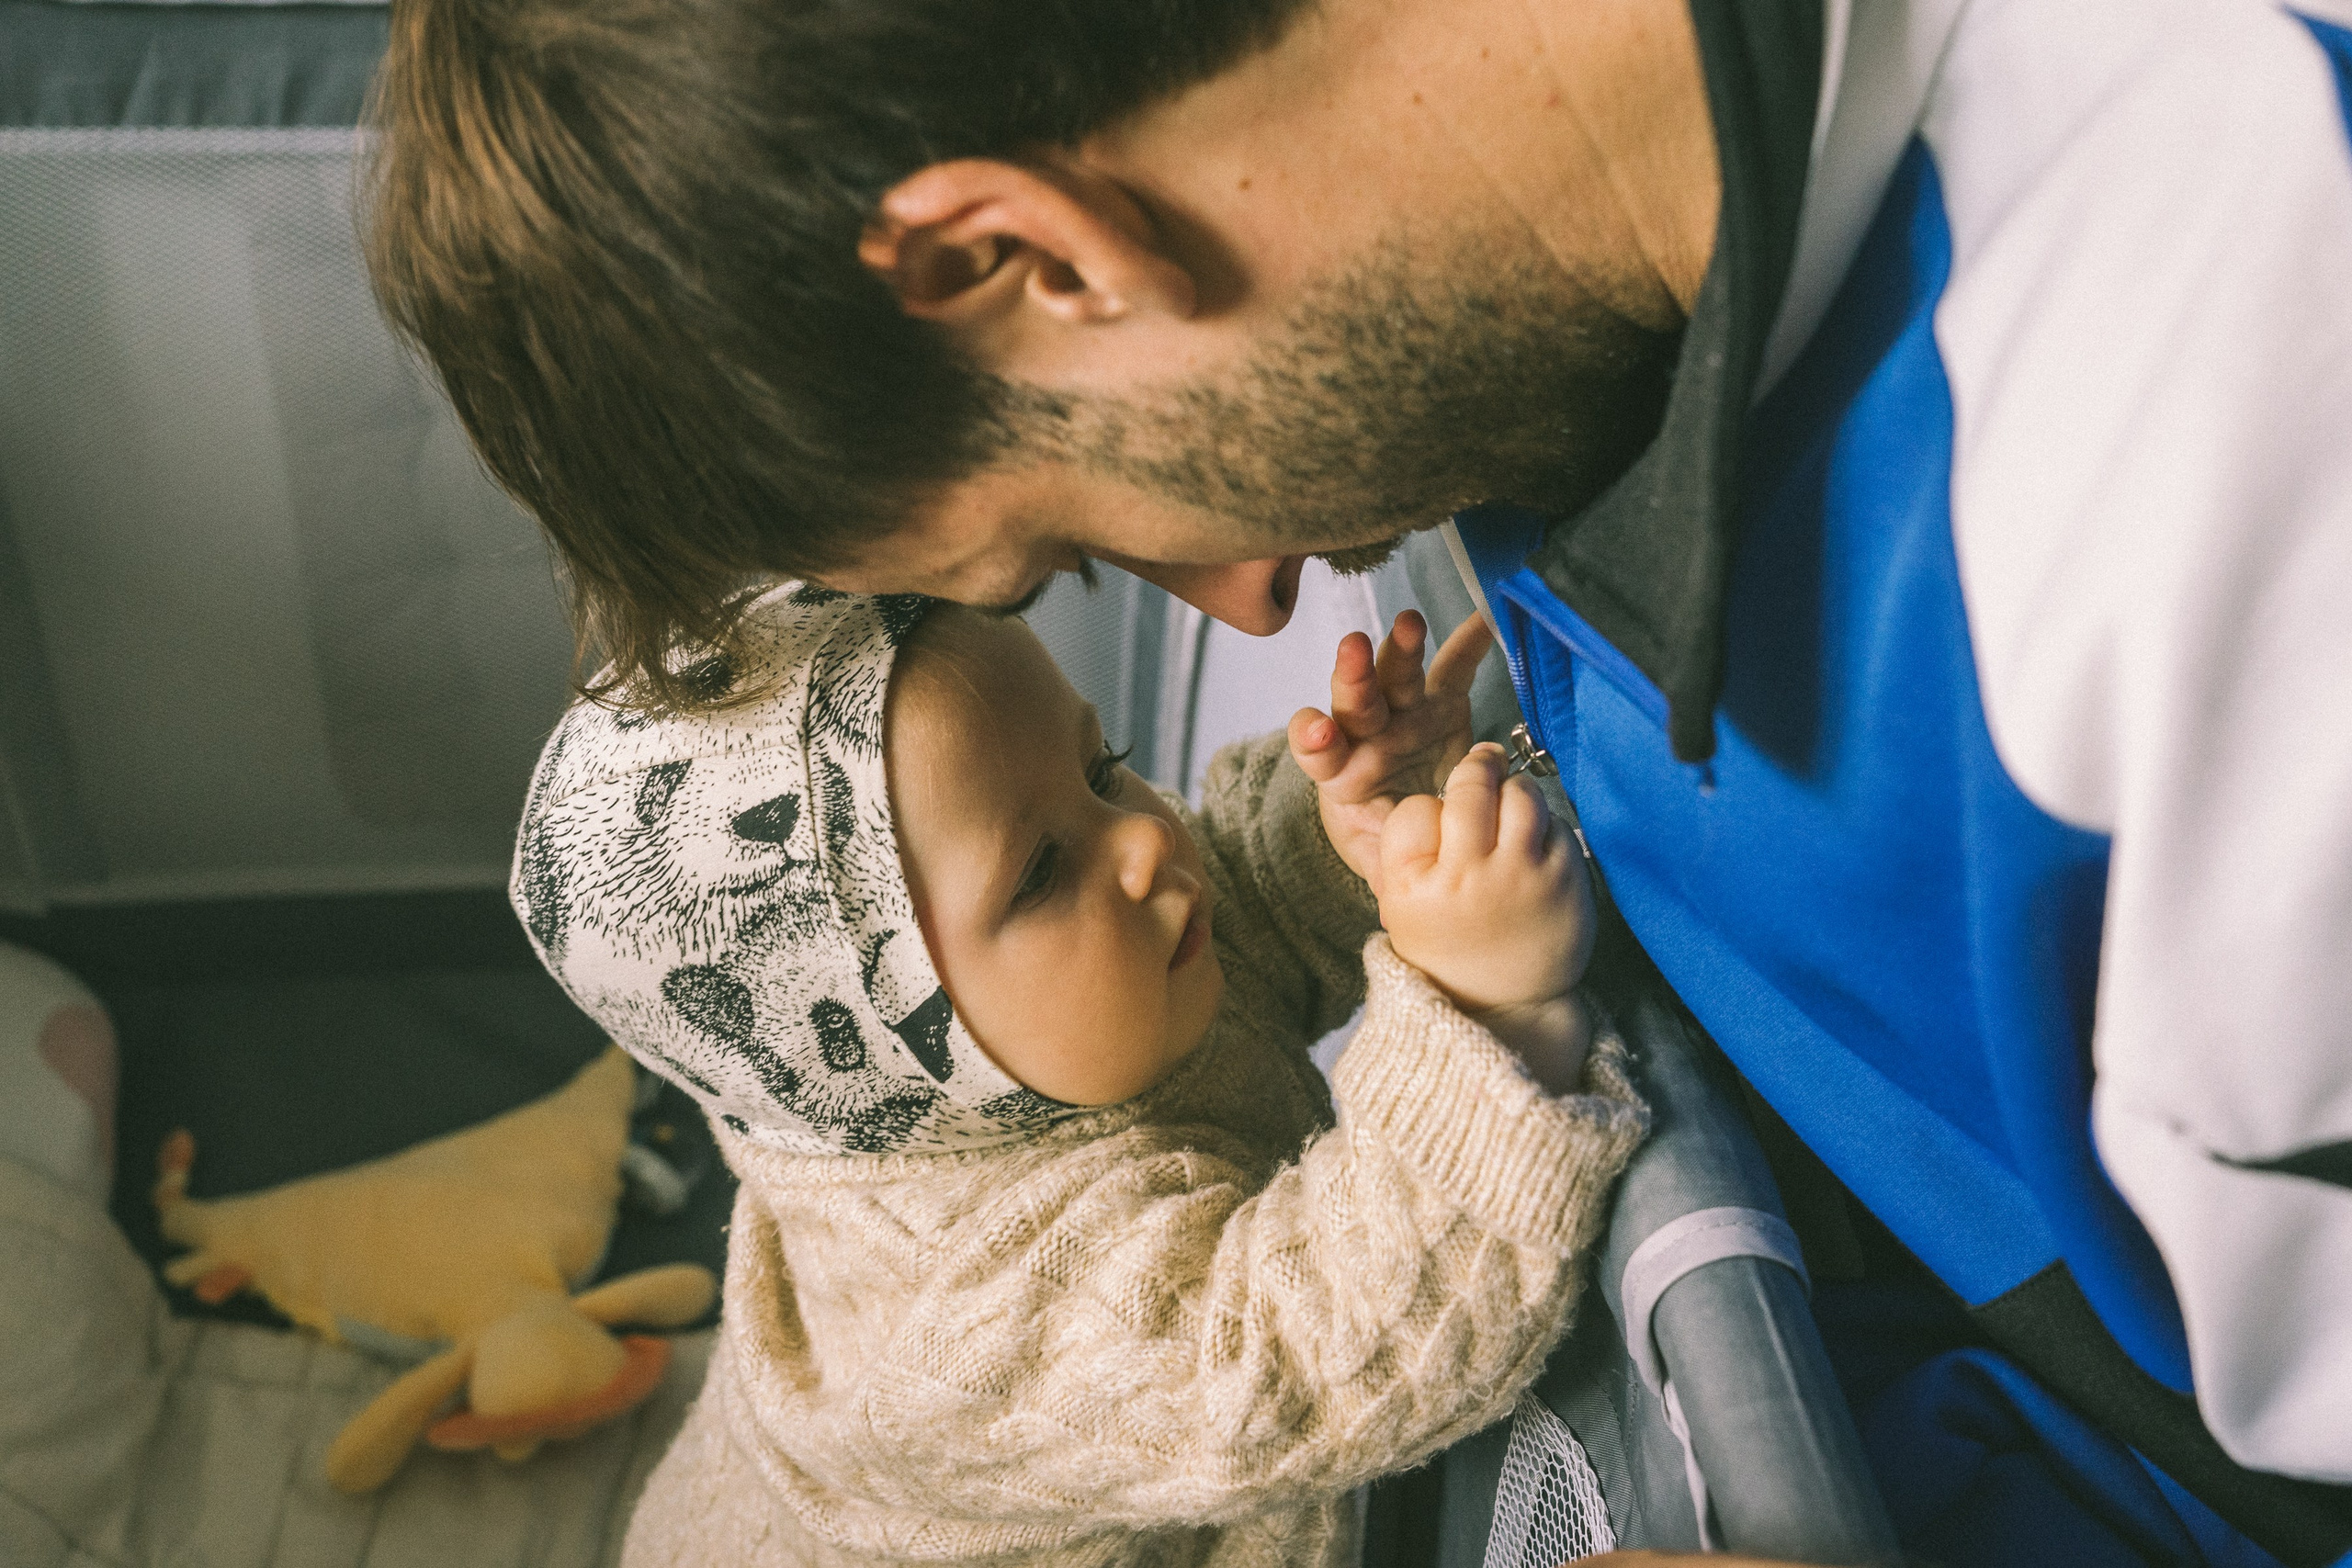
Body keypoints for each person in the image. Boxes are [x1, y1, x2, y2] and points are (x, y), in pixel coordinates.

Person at [363, 0, 2352, 1558]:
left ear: (1025, 253)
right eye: (1076, 565)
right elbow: (1296, 1347)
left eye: (1065, 551)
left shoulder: (2192, 489)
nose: (1248, 600)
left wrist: (1413, 943)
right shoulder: (1521, 304)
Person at [509, 584, 1647, 1565]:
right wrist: (1489, 1013)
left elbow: (1241, 909)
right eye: (1041, 871)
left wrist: (1365, 827)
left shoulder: (1049, 1008)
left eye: (1102, 768)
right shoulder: (976, 1335)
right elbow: (1320, 1355)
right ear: (880, 1050)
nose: (1144, 839)